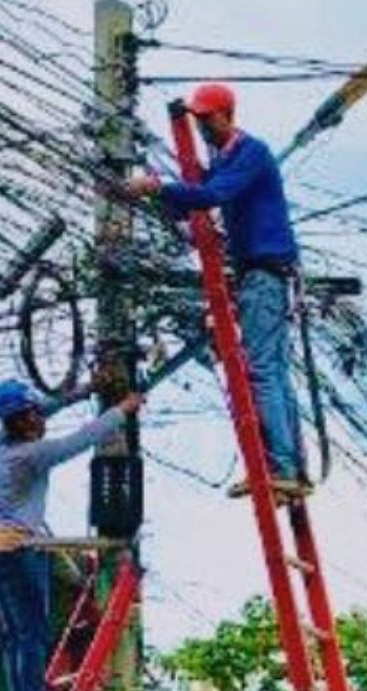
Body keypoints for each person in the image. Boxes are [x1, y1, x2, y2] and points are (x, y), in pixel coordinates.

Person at [126, 83, 310, 503]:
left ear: (227, 115)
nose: (203, 127)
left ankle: (280, 468)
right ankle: (290, 467)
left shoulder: (250, 153)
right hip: (264, 273)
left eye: (207, 119)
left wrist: (157, 187)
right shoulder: (226, 159)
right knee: (274, 370)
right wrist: (165, 199)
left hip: (263, 274)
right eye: (198, 120)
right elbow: (198, 194)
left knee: (262, 370)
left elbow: (211, 195)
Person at [0, 378, 141, 691]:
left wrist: (86, 389)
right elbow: (80, 440)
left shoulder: (0, 442)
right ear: (19, 421)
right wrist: (122, 410)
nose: (39, 420)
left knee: (16, 635)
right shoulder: (32, 455)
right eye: (31, 417)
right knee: (32, 633)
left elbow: (45, 408)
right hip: (19, 551)